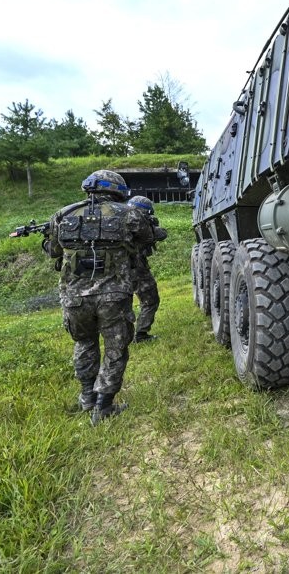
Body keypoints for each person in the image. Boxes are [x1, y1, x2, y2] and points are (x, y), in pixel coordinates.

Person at [43, 170, 155, 425]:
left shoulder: (63, 214)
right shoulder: (129, 213)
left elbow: (53, 251)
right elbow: (146, 239)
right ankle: (104, 406)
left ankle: (87, 398)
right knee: (115, 349)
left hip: (74, 297)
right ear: (117, 189)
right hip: (114, 295)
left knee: (84, 343)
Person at [128, 195, 168, 342]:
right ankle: (141, 334)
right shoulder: (138, 221)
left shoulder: (118, 217)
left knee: (121, 303)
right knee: (151, 300)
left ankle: (122, 336)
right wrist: (152, 225)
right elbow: (159, 234)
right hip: (137, 269)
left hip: (116, 270)